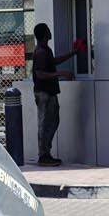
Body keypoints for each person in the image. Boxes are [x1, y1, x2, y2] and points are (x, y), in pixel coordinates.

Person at [30, 23, 84, 166]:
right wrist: (61, 74)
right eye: (48, 30)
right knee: (45, 123)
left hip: (50, 92)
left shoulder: (45, 50)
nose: (50, 32)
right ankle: (43, 155)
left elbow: (53, 62)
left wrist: (73, 53)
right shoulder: (41, 52)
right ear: (45, 34)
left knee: (53, 122)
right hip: (44, 93)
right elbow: (40, 74)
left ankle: (46, 153)